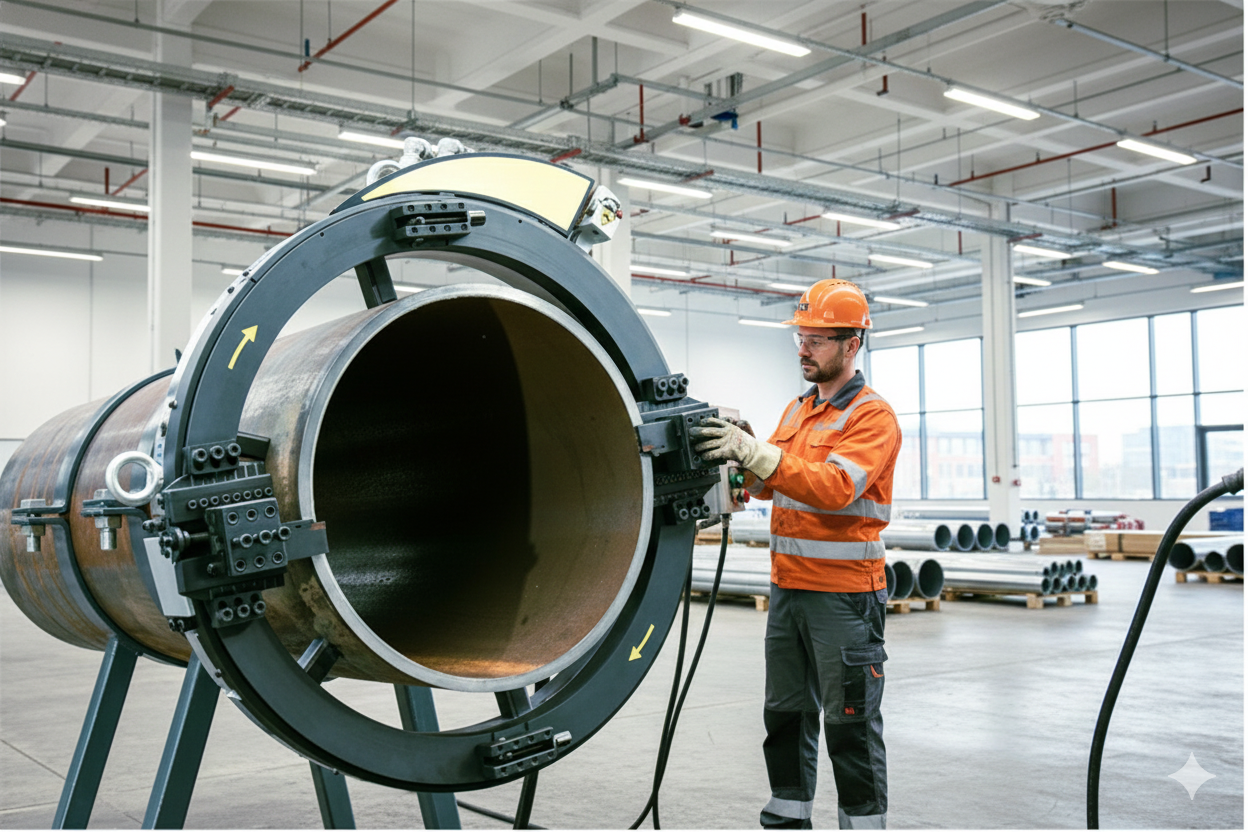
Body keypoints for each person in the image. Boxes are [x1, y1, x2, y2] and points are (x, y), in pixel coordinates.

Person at [690, 278, 901, 829]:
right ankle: (787, 816)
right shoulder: (798, 409)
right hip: (788, 590)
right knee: (785, 712)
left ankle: (862, 825)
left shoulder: (872, 416)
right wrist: (742, 452)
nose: (803, 349)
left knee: (850, 722)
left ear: (852, 344)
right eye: (799, 338)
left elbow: (835, 487)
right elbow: (772, 483)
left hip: (844, 598)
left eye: (816, 340)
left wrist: (758, 453)